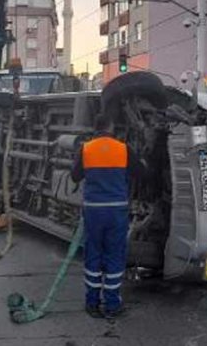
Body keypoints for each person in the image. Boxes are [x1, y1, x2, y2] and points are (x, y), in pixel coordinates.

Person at [71, 114, 145, 319]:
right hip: (116, 211)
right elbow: (142, 173)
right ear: (111, 127)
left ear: (95, 129)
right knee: (114, 255)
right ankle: (112, 304)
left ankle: (92, 304)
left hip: (94, 211)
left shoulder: (85, 148)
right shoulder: (123, 149)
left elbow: (75, 176)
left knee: (93, 254)